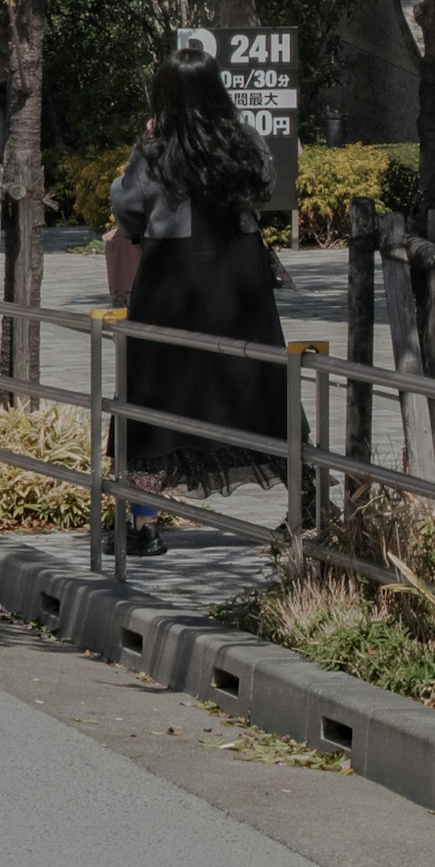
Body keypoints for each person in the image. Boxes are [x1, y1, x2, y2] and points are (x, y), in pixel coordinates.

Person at [109, 38, 289, 543]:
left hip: (171, 282)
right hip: (239, 281)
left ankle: (143, 523)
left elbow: (127, 209)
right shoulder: (242, 140)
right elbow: (266, 186)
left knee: (153, 394)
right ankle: (307, 506)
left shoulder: (154, 149)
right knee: (261, 384)